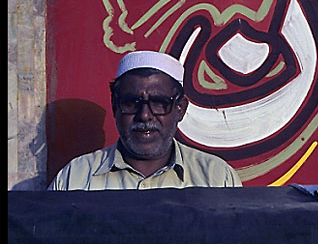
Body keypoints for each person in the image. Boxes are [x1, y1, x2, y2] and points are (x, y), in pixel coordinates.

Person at [48, 51, 242, 190]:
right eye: (132, 103)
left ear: (180, 109)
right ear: (115, 106)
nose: (145, 115)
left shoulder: (216, 178)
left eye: (159, 103)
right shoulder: (75, 178)